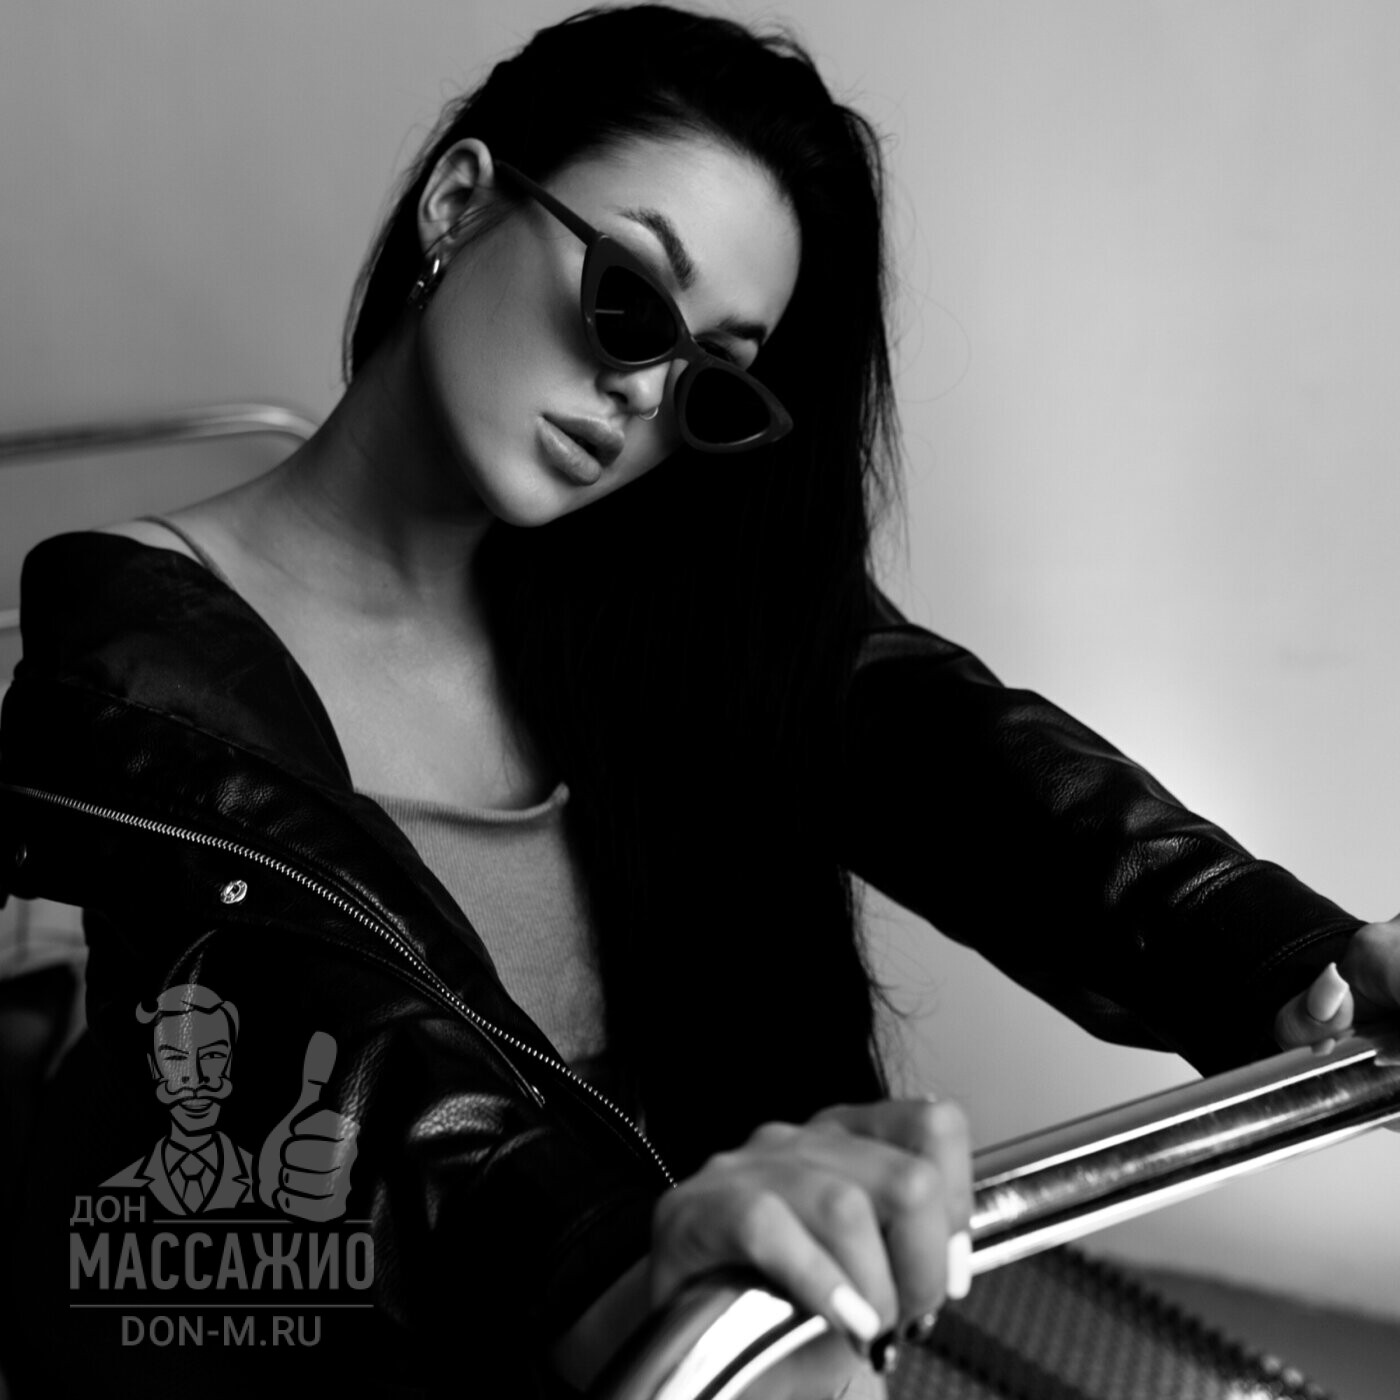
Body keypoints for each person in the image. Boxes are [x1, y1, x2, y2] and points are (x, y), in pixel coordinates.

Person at [1, 5, 1397, 1397]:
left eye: (712, 379)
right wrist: (623, 1267)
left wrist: (1296, 960)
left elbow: (958, 755)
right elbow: (356, 1038)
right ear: (461, 201)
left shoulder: (648, 598)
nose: (641, 392)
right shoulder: (131, 632)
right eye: (628, 299)